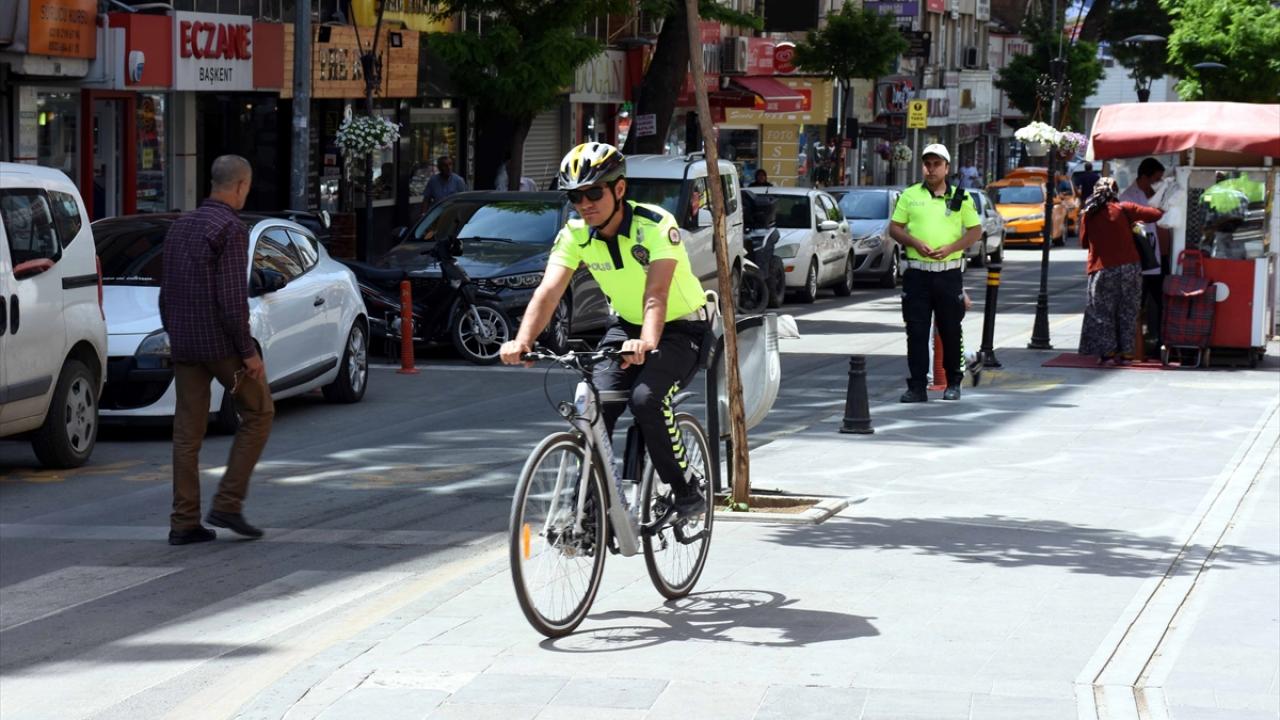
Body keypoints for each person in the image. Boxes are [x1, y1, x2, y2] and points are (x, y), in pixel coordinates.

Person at [499, 142, 711, 519]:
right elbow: (549, 291)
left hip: (682, 328)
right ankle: (590, 511)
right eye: (575, 196)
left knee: (646, 399)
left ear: (619, 188)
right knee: (595, 406)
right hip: (626, 325)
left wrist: (647, 342)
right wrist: (523, 340)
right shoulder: (575, 234)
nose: (585, 204)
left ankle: (686, 490)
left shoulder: (655, 225)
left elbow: (657, 293)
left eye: (593, 192)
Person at [159, 155, 274, 546]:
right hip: (221, 345)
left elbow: (166, 292)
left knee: (186, 435)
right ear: (240, 185)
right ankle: (227, 502)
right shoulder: (231, 228)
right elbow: (231, 300)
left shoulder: (180, 225)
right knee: (259, 412)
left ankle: (183, 522)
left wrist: (174, 332)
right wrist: (248, 351)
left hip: (185, 343)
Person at [888, 143, 983, 402]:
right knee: (916, 332)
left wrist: (952, 248)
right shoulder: (910, 195)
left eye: (937, 164)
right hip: (917, 274)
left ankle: (954, 382)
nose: (931, 169)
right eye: (927, 164)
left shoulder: (961, 197)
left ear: (947, 168)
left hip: (947, 274)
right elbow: (894, 228)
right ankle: (917, 386)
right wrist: (915, 242)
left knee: (950, 330)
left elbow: (975, 231)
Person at [1077, 177, 1164, 364]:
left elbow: (1084, 243)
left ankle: (1107, 354)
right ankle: (1127, 354)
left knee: (1102, 313)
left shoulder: (1088, 213)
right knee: (1128, 311)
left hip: (1102, 269)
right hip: (1130, 268)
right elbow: (1156, 214)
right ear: (1115, 192)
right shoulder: (1125, 208)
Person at [1120, 157, 1168, 348]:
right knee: (1138, 301)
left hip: (1157, 256)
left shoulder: (1155, 194)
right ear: (1144, 177)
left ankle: (1160, 340)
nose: (1158, 183)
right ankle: (1132, 344)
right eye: (1156, 179)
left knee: (1160, 299)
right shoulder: (1128, 197)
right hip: (1140, 257)